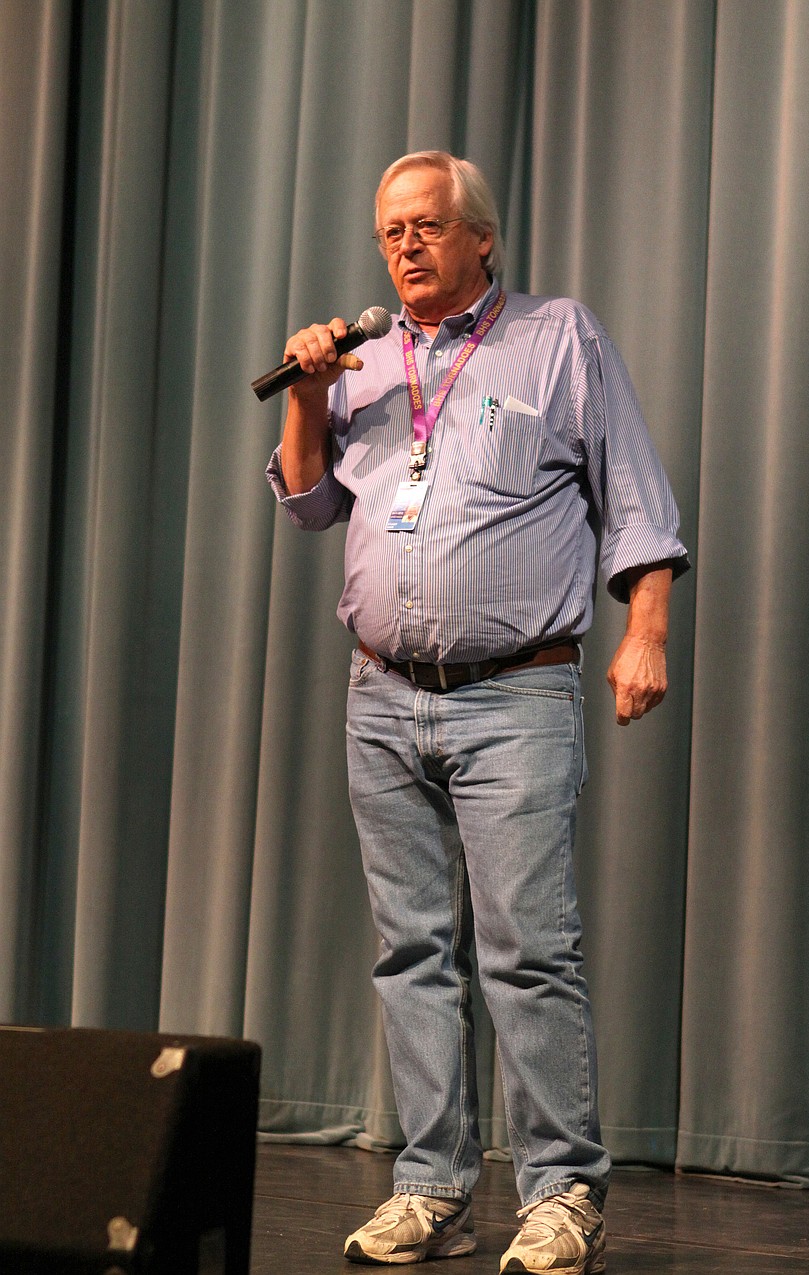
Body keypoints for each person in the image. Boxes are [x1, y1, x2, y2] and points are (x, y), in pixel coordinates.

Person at [266, 151, 689, 1274]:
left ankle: (561, 1192)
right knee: (412, 952)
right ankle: (430, 1184)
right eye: (389, 231)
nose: (404, 245)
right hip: (382, 698)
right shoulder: (364, 363)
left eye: (426, 226)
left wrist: (643, 632)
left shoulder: (557, 339)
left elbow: (637, 502)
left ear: (480, 237)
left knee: (525, 950)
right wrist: (309, 388)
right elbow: (308, 503)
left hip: (517, 693)